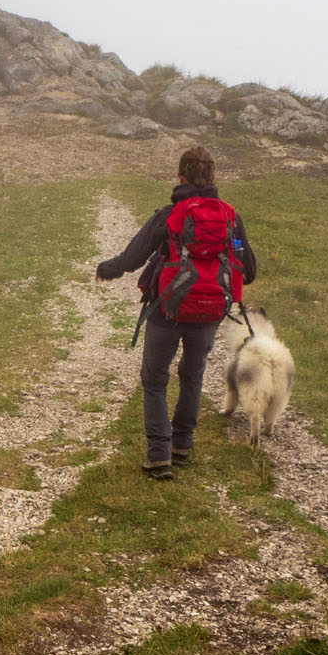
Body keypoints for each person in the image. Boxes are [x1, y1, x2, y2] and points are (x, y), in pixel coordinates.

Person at [95, 145, 258, 478]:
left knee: (154, 380)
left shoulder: (169, 215)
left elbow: (132, 257)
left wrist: (106, 269)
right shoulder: (230, 216)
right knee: (192, 373)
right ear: (214, 177)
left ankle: (158, 456)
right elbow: (250, 270)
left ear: (180, 177)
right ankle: (182, 445)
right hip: (210, 311)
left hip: (166, 311)